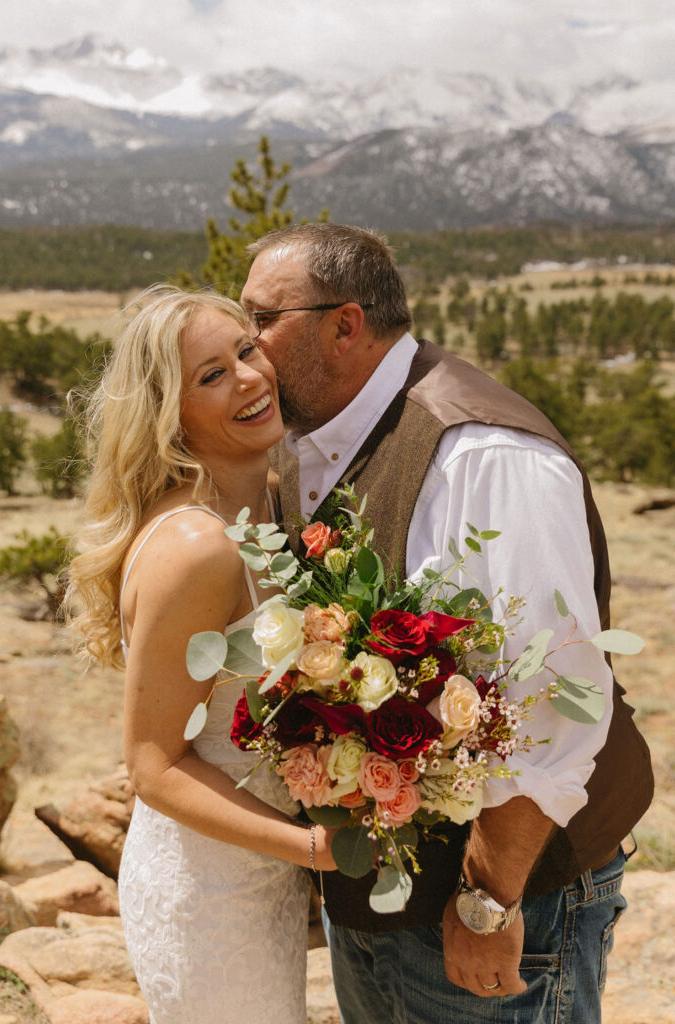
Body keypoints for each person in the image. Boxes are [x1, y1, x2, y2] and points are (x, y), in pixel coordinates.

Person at [240, 223, 654, 1024]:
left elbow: (553, 697)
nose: (246, 341)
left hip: (503, 900)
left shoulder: (486, 457)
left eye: (261, 318)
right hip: (374, 898)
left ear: (345, 325)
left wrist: (486, 903)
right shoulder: (301, 442)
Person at [65, 285, 338, 1024]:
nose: (249, 379)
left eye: (247, 351)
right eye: (211, 376)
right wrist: (314, 848)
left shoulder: (270, 500)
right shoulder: (197, 547)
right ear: (169, 414)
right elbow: (152, 766)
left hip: (263, 874)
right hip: (207, 893)